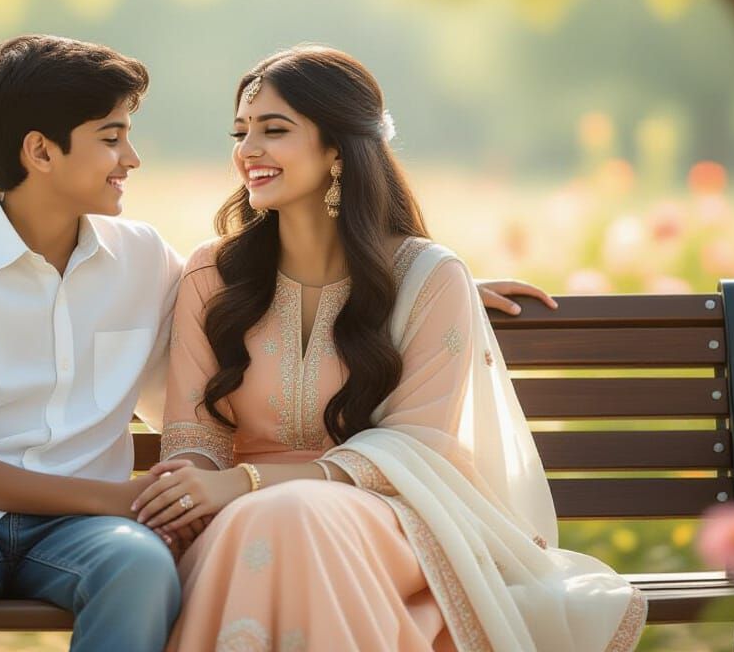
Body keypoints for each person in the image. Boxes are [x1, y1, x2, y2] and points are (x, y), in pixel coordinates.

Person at [0, 34, 557, 651]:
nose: (131, 157)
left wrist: (426, 281)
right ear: (40, 150)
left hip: (161, 525)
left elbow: (404, 428)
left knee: (145, 566)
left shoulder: (143, 261)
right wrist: (135, 497)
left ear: (338, 148)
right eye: (111, 136)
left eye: (271, 130)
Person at [134, 45, 645, 651]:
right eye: (240, 131)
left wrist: (245, 483)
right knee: (275, 522)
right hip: (238, 524)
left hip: (389, 516)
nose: (247, 151)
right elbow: (195, 440)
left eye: (274, 130)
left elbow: (416, 447)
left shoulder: (425, 280)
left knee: (291, 516)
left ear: (338, 150)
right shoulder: (212, 277)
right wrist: (193, 488)